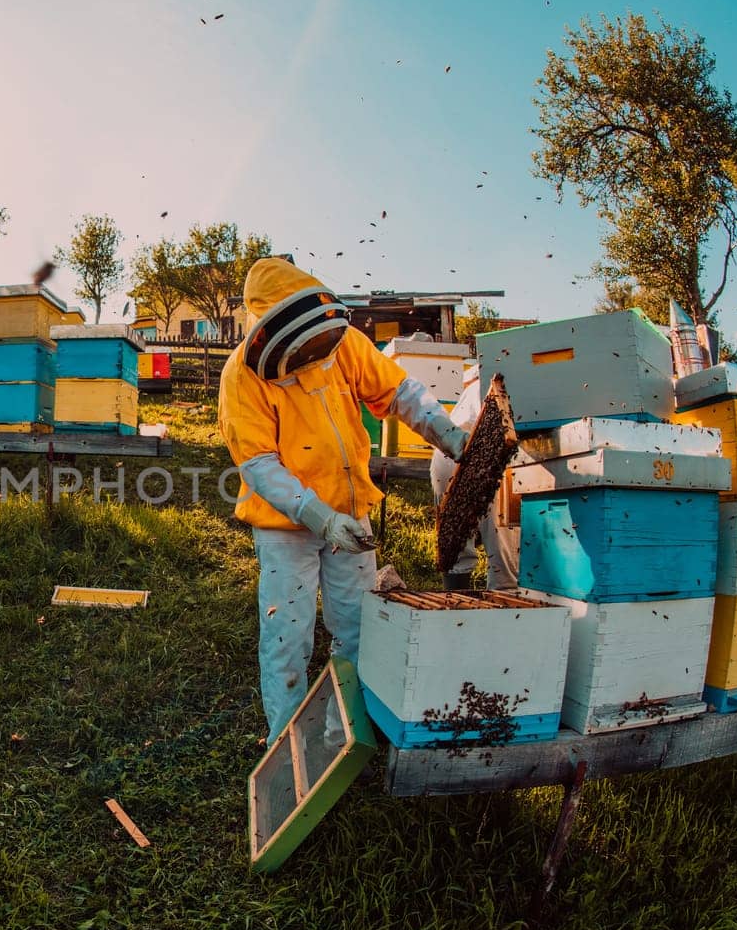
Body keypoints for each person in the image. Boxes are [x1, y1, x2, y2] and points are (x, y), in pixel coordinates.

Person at [218, 257, 468, 743]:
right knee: (287, 638)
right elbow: (259, 465)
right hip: (284, 529)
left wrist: (450, 435)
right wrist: (319, 518)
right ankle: (288, 745)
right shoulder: (241, 375)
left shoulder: (345, 342)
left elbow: (400, 391)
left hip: (352, 518)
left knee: (357, 631)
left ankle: (340, 738)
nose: (313, 359)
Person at [429, 364, 521, 591]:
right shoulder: (511, 383)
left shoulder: (482, 382)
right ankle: (503, 609)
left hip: (446, 452)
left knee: (456, 545)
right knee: (504, 553)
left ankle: (455, 604)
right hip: (482, 456)